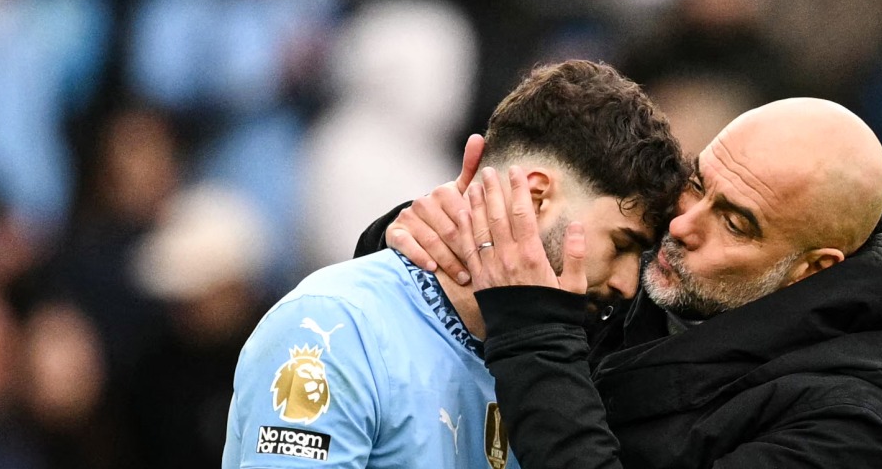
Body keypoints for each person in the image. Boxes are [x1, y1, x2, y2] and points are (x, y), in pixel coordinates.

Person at [369, 97, 882, 468]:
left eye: (734, 222)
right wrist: (429, 242)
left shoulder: (846, 429)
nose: (682, 225)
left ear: (812, 269)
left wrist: (534, 335)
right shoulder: (637, 257)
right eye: (698, 183)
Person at [222, 60, 688, 467]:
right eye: (622, 244)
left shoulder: (572, 372)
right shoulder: (334, 327)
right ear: (533, 198)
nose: (629, 284)